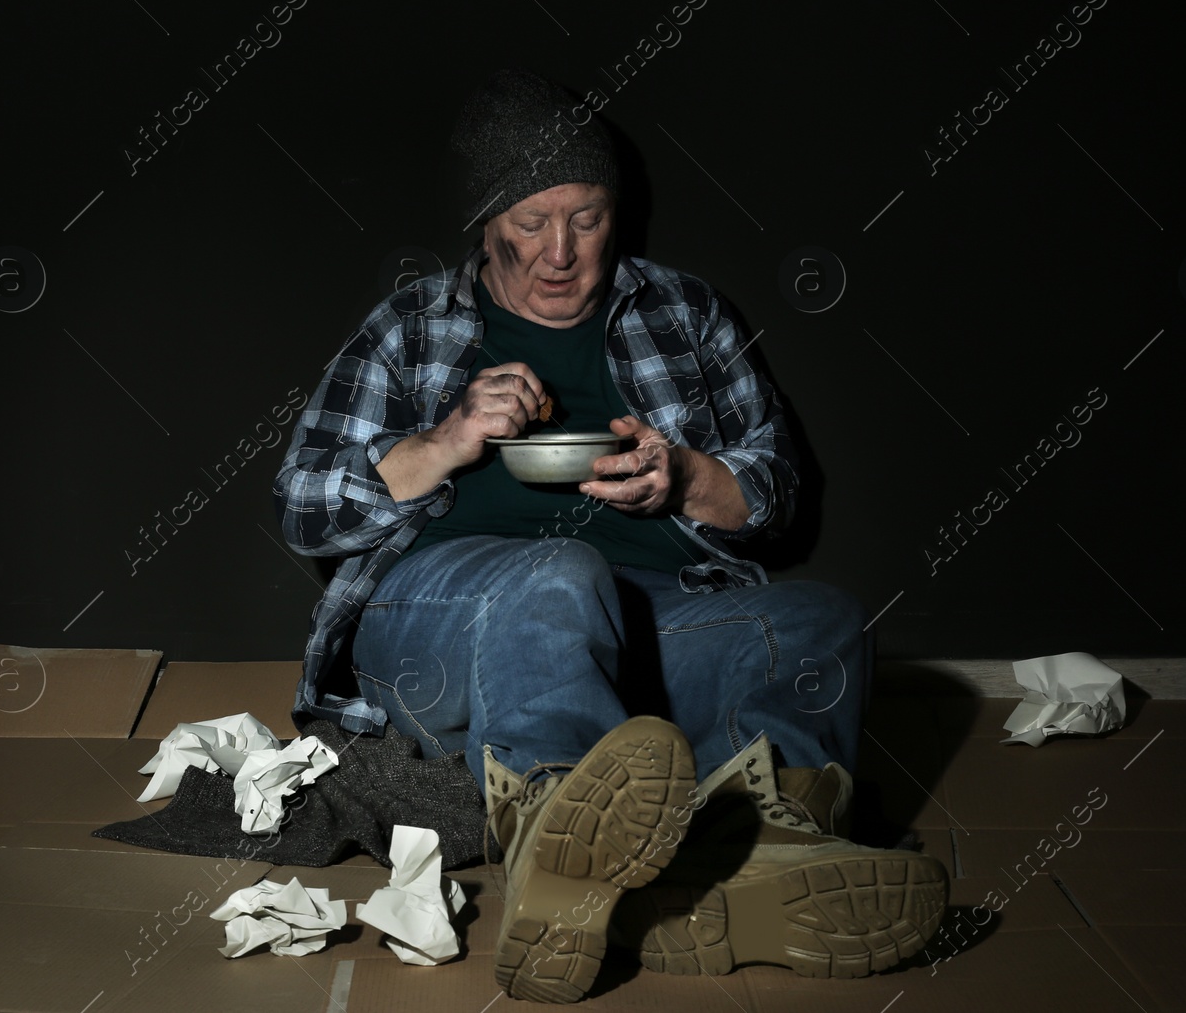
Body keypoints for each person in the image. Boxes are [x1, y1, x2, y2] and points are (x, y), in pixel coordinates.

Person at [274, 68, 946, 1003]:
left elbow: (777, 489)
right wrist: (447, 438)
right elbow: (305, 504)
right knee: (560, 572)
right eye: (530, 224)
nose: (559, 253)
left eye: (586, 219)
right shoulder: (413, 326)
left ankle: (762, 848)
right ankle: (555, 823)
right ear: (484, 223)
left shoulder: (685, 312)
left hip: (646, 627)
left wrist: (686, 477)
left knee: (819, 622)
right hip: (448, 623)